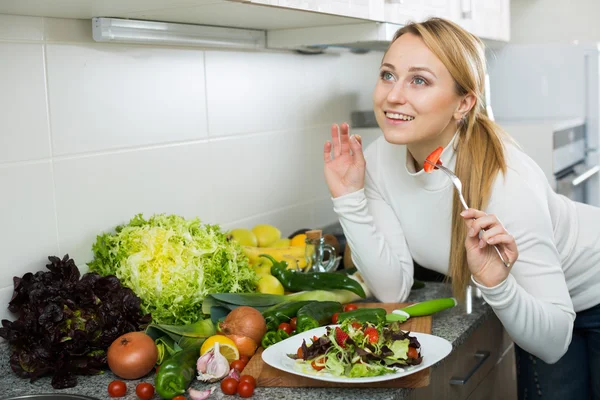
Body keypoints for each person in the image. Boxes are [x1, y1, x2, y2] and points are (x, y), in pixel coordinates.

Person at [323, 17, 600, 400]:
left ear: (464, 102)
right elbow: (392, 288)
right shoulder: (380, 159)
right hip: (541, 313)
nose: (392, 96)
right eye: (388, 75)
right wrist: (348, 196)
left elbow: (553, 340)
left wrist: (498, 285)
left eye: (418, 80)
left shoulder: (506, 183)